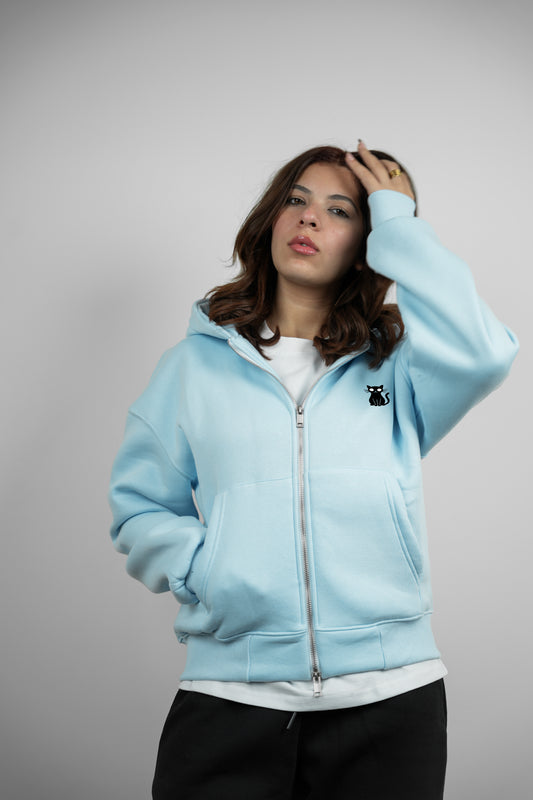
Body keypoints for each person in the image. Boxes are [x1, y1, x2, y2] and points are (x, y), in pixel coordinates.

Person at [109, 141, 518, 799]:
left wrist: (398, 221)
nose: (309, 218)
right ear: (271, 218)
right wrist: (208, 572)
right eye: (296, 201)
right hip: (230, 694)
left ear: (365, 244)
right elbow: (140, 506)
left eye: (339, 210)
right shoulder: (190, 368)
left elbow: (485, 353)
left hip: (390, 700)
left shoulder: (397, 367)